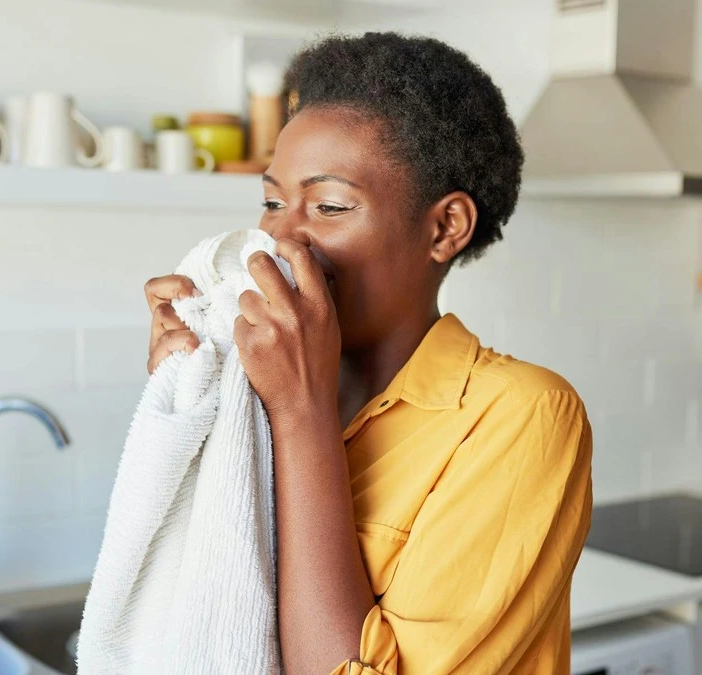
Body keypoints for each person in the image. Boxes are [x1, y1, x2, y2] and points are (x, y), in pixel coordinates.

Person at [143, 32, 592, 674]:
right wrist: (186, 404)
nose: (278, 239)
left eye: (329, 206)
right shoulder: (249, 387)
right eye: (272, 203)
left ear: (444, 228)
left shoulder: (524, 415)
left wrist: (301, 412)